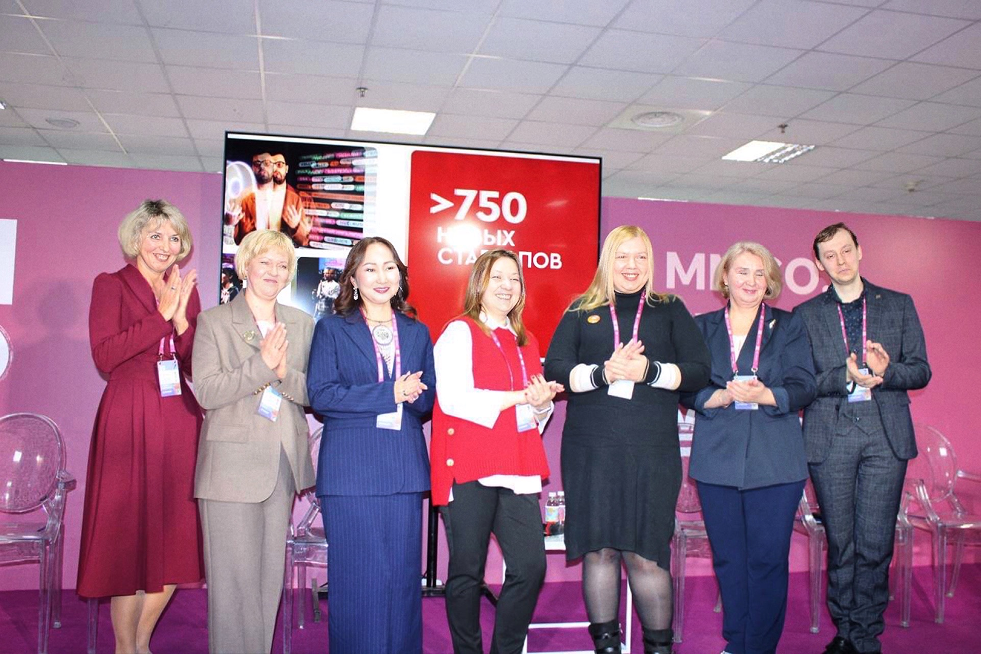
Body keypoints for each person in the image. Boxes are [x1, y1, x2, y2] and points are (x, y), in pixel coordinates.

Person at [543, 225, 711, 654]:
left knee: (645, 554)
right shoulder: (581, 309)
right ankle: (607, 648)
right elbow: (555, 369)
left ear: (650, 262)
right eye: (622, 256)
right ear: (608, 260)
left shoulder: (670, 309)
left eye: (640, 257)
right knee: (599, 551)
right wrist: (604, 373)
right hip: (591, 451)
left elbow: (699, 371)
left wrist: (648, 372)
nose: (631, 266)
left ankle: (658, 648)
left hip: (651, 451)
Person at [794, 223, 931, 654]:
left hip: (884, 436)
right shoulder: (805, 315)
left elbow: (921, 370)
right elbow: (801, 383)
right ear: (819, 265)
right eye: (830, 255)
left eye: (845, 250)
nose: (840, 260)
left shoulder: (898, 304)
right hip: (830, 436)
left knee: (874, 543)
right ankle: (844, 630)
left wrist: (887, 372)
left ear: (860, 250)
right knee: (842, 542)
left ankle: (866, 635)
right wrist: (845, 376)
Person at [77, 199, 203, 654]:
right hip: (128, 414)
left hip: (179, 421)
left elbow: (193, 366)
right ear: (135, 239)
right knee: (127, 539)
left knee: (174, 538)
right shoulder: (109, 284)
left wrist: (182, 322)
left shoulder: (184, 290)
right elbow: (105, 357)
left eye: (174, 238)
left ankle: (141, 644)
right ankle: (123, 648)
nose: (165, 246)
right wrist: (159, 317)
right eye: (155, 235)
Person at [680, 242, 816, 654]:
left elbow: (804, 386)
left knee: (767, 561)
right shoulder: (701, 327)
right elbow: (686, 387)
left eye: (760, 273)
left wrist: (765, 395)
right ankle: (735, 642)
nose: (751, 281)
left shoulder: (788, 325)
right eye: (742, 272)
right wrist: (718, 397)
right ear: (725, 276)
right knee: (729, 560)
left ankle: (758, 647)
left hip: (776, 462)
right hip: (717, 460)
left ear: (770, 281)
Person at [306, 236, 435, 654]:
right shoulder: (331, 329)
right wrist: (388, 392)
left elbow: (428, 403)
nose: (382, 276)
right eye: (371, 268)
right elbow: (321, 395)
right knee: (357, 581)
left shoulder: (417, 332)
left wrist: (416, 395)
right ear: (353, 278)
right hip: (351, 473)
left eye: (390, 267)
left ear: (400, 276)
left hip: (403, 470)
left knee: (402, 580)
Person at [431, 249, 563, 654]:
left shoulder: (527, 341)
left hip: (516, 466)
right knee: (467, 573)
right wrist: (520, 397)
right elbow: (455, 399)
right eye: (497, 278)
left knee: (530, 567)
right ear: (479, 285)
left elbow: (532, 418)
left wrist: (540, 403)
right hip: (468, 466)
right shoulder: (459, 332)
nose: (507, 286)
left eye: (514, 279)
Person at [192, 230, 316, 654]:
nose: (273, 272)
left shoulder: (302, 324)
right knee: (231, 583)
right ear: (245, 266)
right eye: (265, 262)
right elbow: (207, 392)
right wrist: (262, 365)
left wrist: (282, 374)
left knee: (267, 581)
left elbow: (312, 391)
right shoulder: (213, 322)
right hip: (229, 467)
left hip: (281, 463)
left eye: (282, 265)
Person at [227, 151, 312, 247]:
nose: (262, 167)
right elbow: (234, 241)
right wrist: (230, 224)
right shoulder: (243, 198)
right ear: (253, 167)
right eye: (257, 163)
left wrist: (295, 227)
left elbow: (304, 241)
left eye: (267, 163)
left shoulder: (294, 199)